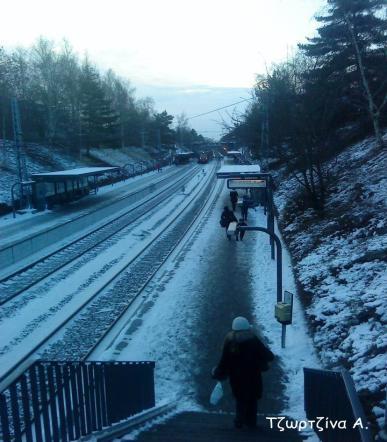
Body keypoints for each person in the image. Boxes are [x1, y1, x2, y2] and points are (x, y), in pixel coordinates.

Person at [212, 317, 274, 429]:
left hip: (236, 377)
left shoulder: (230, 341)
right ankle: (251, 422)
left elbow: (224, 360)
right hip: (253, 376)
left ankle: (239, 420)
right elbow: (268, 355)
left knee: (240, 398)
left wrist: (218, 372)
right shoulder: (254, 340)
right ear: (246, 327)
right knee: (252, 399)